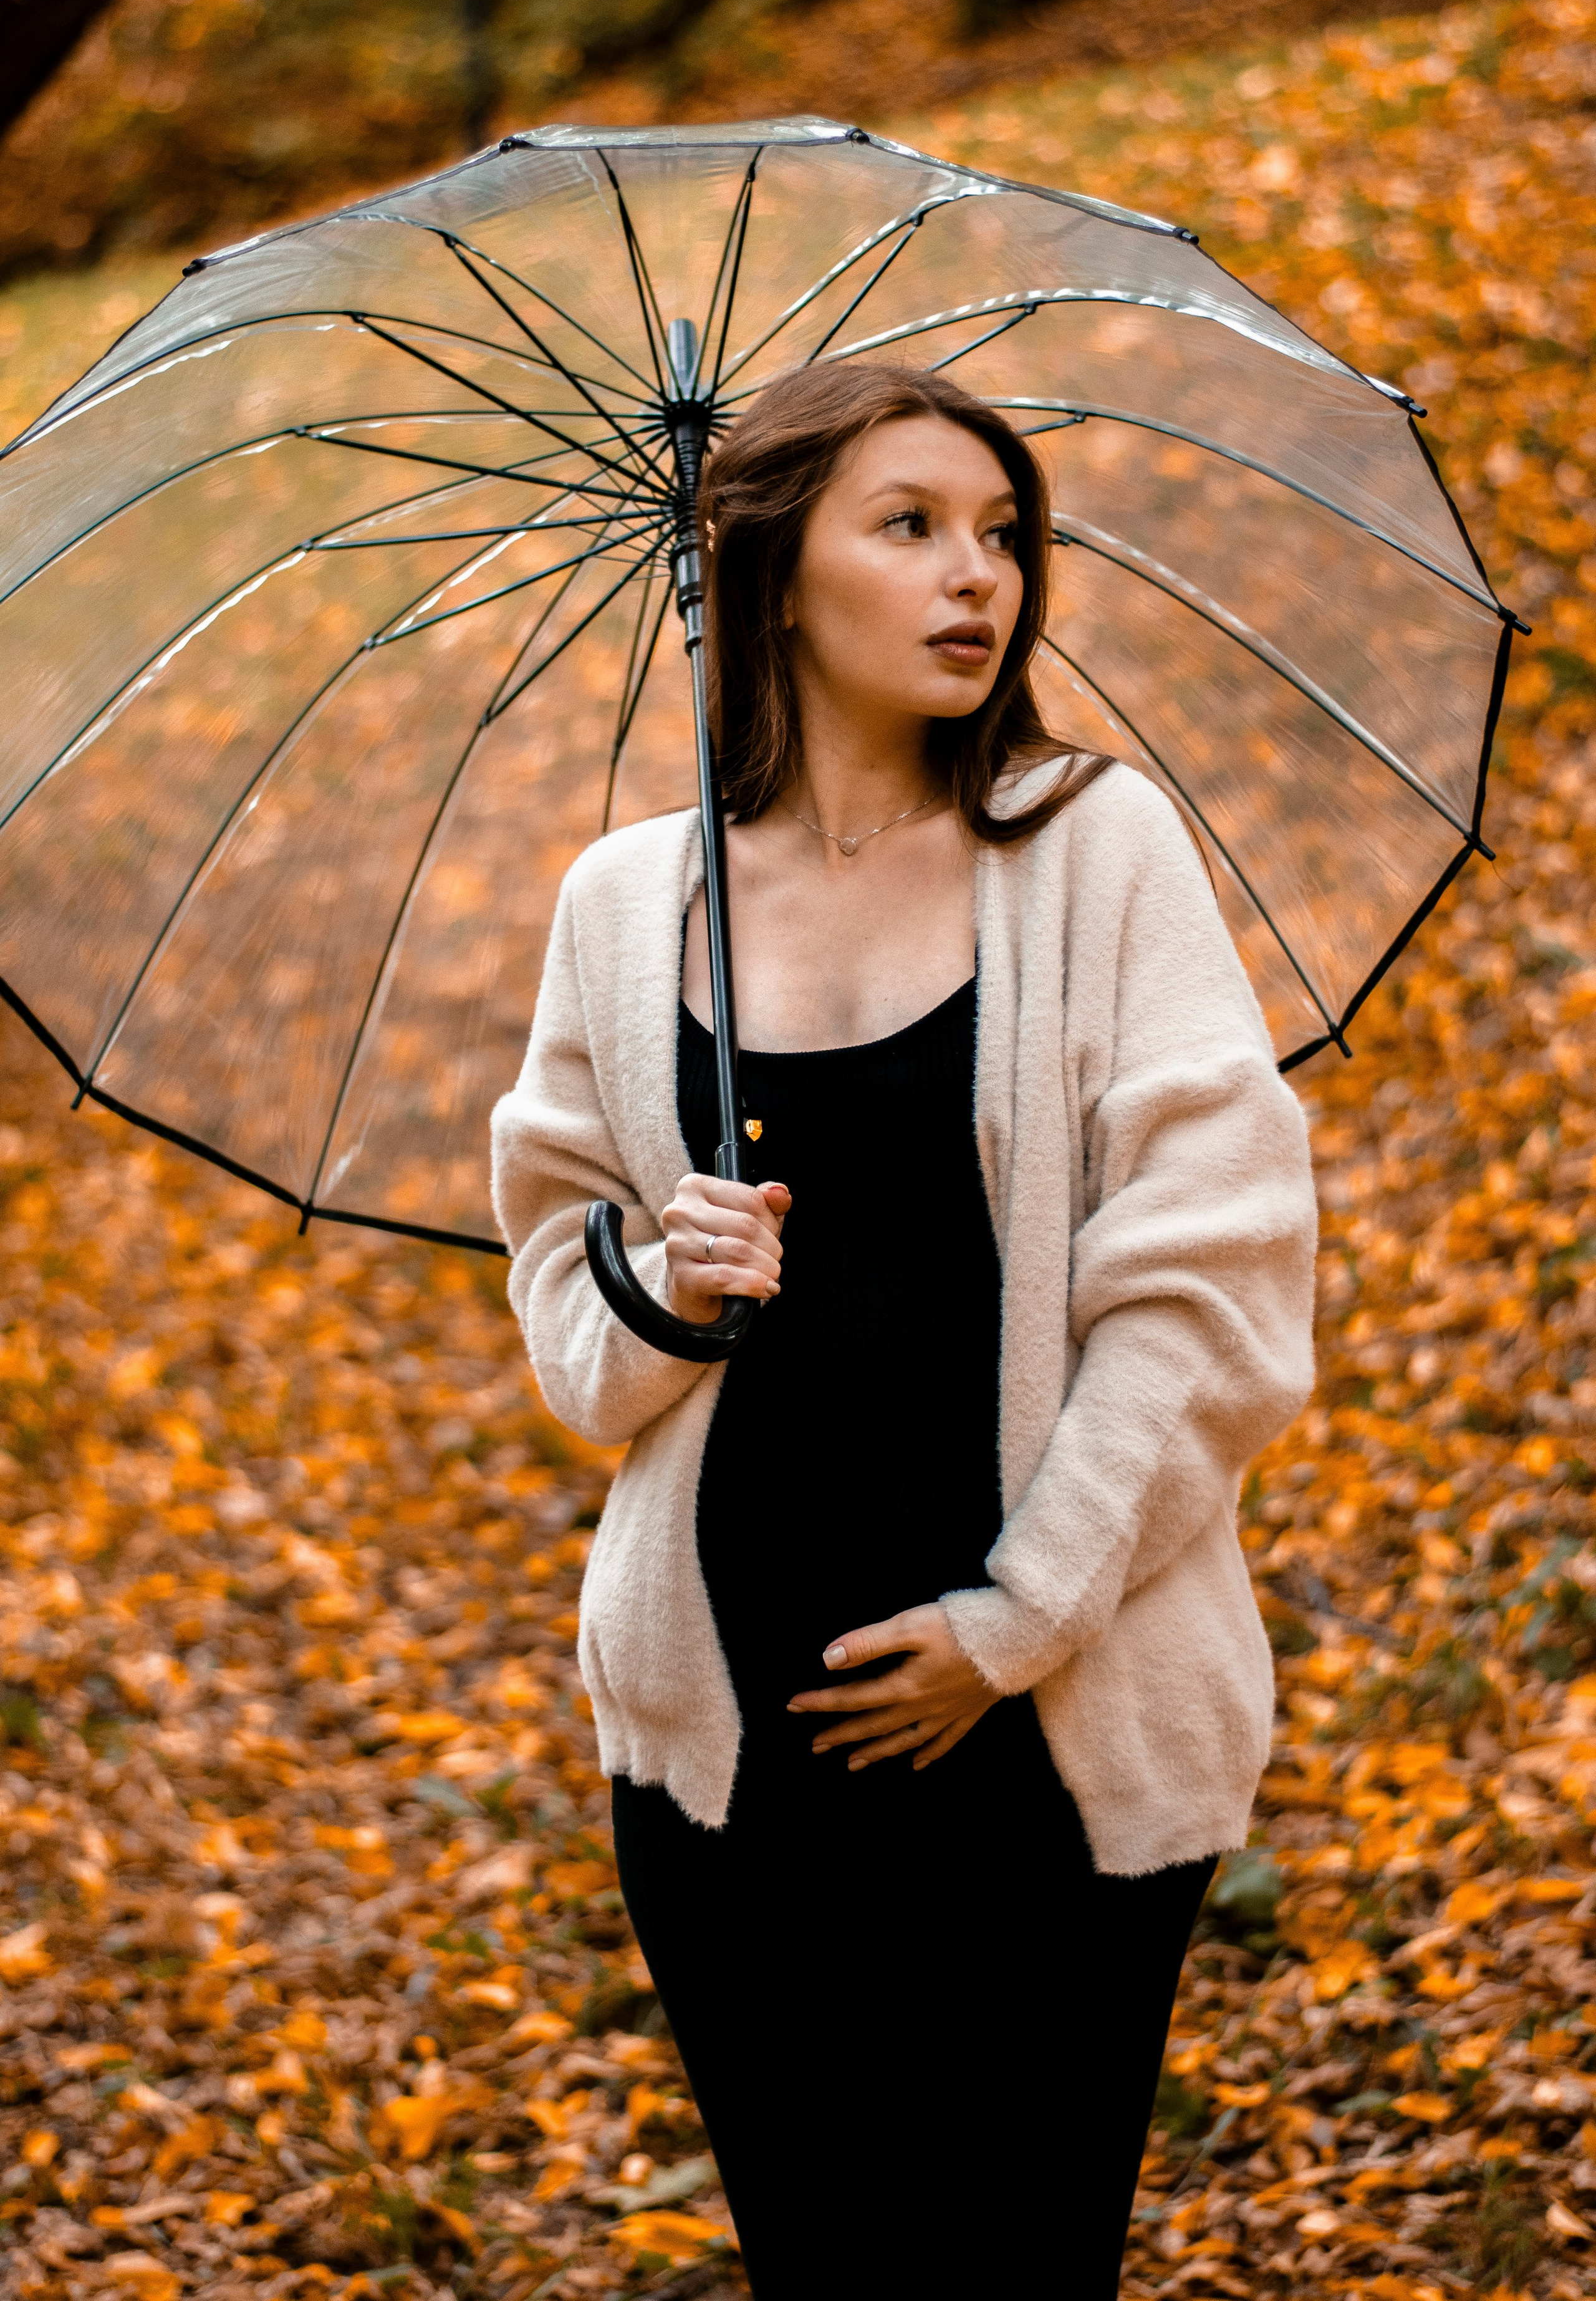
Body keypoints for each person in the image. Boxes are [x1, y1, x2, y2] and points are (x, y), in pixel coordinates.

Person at [490, 361, 1318, 2297]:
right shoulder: (627, 903)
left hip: (1049, 1728)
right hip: (729, 1754)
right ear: (776, 577)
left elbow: (1212, 1280)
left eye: (1003, 534)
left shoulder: (1095, 850)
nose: (980, 578)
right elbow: (560, 1302)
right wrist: (665, 1288)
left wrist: (1016, 1620)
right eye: (913, 527)